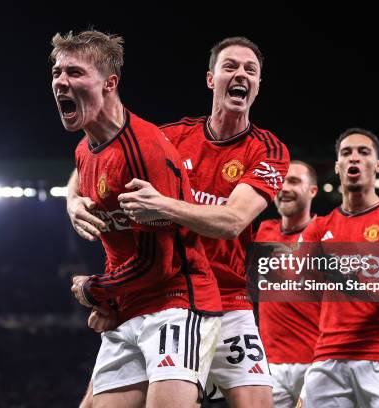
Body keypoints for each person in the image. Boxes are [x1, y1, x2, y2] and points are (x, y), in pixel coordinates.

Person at [69, 37, 290, 408]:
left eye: (250, 70)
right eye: (230, 66)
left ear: (258, 85)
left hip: (229, 299)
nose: (241, 74)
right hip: (166, 293)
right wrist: (72, 199)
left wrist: (166, 206)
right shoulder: (171, 137)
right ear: (210, 79)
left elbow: (233, 220)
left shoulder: (268, 150)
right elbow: (100, 153)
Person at [51, 29, 222, 408]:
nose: (61, 82)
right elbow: (119, 248)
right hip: (128, 305)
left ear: (110, 83)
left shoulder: (143, 150)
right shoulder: (85, 150)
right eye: (57, 73)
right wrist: (109, 302)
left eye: (75, 73)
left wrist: (95, 290)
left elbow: (158, 264)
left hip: (176, 303)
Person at [298, 128, 379, 407]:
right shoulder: (319, 228)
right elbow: (303, 281)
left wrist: (340, 274)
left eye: (363, 153)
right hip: (327, 358)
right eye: (346, 153)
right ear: (337, 166)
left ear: (377, 165)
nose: (354, 158)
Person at [253, 160, 320, 407]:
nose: (284, 188)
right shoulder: (261, 232)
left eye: (294, 181)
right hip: (270, 363)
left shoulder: (327, 233)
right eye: (281, 181)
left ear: (312, 191)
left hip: (317, 363)